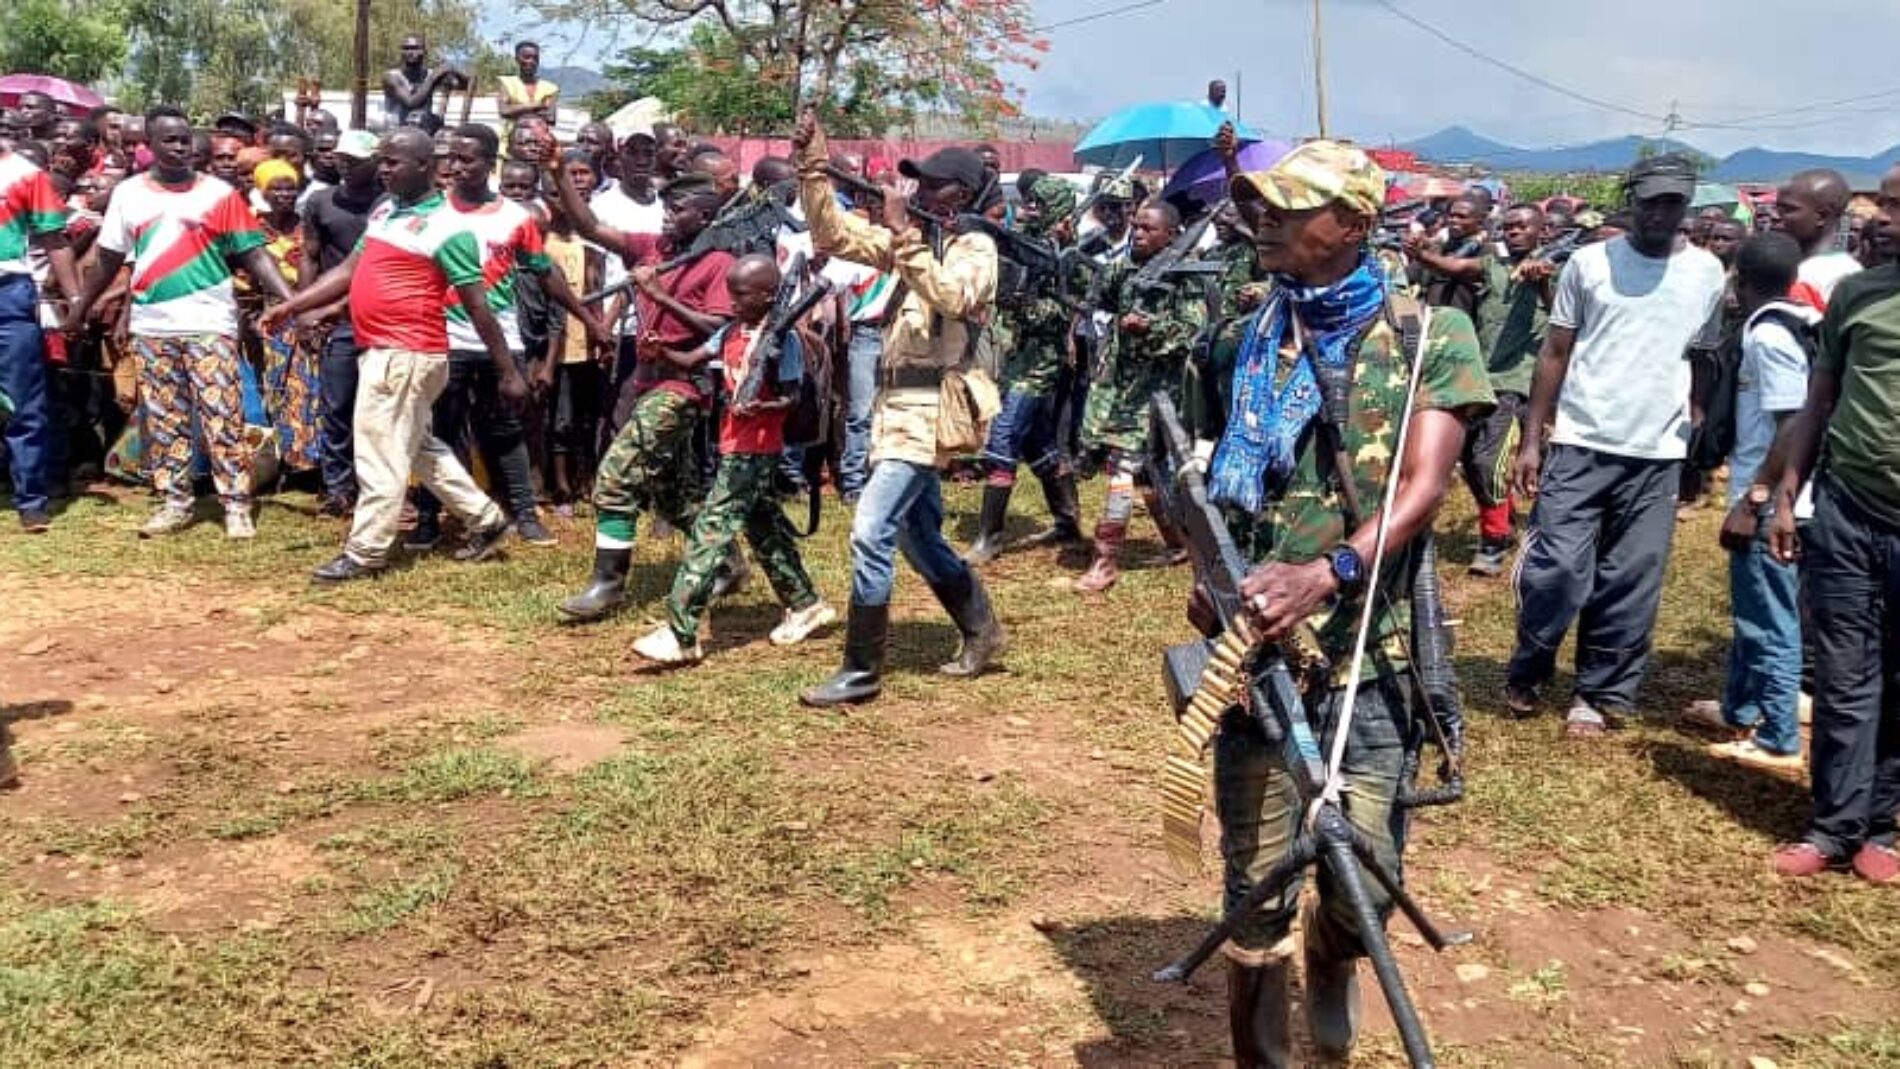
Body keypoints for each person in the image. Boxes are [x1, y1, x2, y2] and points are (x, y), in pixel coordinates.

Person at [1207, 142, 1492, 1067]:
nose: (1266, 221)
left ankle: (1332, 958)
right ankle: (1261, 1052)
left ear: (1355, 225)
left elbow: (1423, 487)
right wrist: (1211, 570)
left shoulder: (1428, 336)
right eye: (1261, 206)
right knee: (1254, 880)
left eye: (1292, 208)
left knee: (1365, 869)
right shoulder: (1246, 335)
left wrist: (1326, 572)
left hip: (1372, 648)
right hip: (1255, 652)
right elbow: (1216, 474)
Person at [1506, 155, 1727, 738]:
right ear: (1632, 199)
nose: (1660, 213)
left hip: (1657, 451)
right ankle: (1531, 662)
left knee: (1630, 579)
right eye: (1650, 201)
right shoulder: (1589, 263)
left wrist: (1695, 426)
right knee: (1557, 570)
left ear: (1687, 205)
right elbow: (1555, 351)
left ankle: (1597, 691)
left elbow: (1704, 356)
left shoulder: (1707, 272)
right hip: (1580, 440)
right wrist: (1532, 438)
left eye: (1672, 202)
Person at [791, 110, 1007, 707]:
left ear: (960, 194)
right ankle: (981, 627)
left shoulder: (975, 248)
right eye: (917, 182)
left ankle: (861, 669)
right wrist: (813, 168)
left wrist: (904, 234)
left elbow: (954, 295)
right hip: (896, 408)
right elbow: (834, 236)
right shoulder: (918, 243)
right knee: (916, 535)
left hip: (930, 411)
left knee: (870, 530)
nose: (918, 190)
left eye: (932, 184)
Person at [259, 127, 518, 581]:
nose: (383, 169)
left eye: (393, 162)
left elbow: (478, 305)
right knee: (416, 446)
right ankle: (487, 520)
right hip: (383, 348)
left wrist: (507, 370)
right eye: (381, 160)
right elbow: (349, 270)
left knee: (378, 449)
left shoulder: (448, 228)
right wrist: (295, 306)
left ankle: (366, 551)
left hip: (406, 352)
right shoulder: (386, 210)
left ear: (425, 166)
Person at [1756, 163, 1900, 885]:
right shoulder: (1858, 295)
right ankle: (1835, 825)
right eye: (1886, 205)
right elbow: (1820, 399)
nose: (1885, 220)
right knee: (1845, 671)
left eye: (1898, 208)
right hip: (1848, 507)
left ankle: (1883, 822)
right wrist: (1788, 494)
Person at [63, 106, 295, 539]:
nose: (180, 147)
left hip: (210, 322)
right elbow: (109, 258)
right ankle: (175, 501)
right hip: (152, 326)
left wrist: (290, 300)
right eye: (169, 140)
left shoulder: (219, 194)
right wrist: (79, 308)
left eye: (185, 140)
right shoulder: (129, 194)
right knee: (164, 418)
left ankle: (236, 504)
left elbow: (253, 252)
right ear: (149, 145)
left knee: (223, 415)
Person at [546, 153, 737, 623]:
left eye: (679, 210)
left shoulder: (718, 262)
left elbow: (718, 327)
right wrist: (557, 170)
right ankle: (728, 561)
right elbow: (590, 226)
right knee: (676, 496)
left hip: (683, 386)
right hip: (647, 380)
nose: (668, 216)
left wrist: (656, 295)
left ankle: (608, 584)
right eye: (666, 208)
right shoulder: (653, 248)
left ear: (705, 216)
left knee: (615, 479)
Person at [629, 254, 839, 664]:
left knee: (711, 531)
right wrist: (661, 351)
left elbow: (792, 397)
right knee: (763, 528)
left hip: (755, 450)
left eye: (741, 295)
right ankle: (805, 603)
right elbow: (691, 360)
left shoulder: (783, 340)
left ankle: (680, 632)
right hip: (732, 443)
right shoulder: (730, 331)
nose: (733, 302)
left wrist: (762, 408)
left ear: (768, 296)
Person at [410, 124, 604, 550]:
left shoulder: (516, 218)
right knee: (440, 432)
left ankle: (526, 516)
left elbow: (545, 273)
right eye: (452, 159)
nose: (456, 167)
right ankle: (427, 519)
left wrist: (588, 321)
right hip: (442, 340)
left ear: (489, 162)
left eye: (467, 159)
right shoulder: (430, 212)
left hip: (501, 343)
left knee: (506, 431)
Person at [1692, 232, 1814, 773]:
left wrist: (1757, 496)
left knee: (1771, 620)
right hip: (1784, 495)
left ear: (1738, 280)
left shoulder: (1768, 335)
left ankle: (1779, 738)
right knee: (1752, 608)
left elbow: (1793, 421)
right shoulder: (1802, 319)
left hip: (1772, 502)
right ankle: (1738, 708)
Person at [1075, 200, 1204, 593]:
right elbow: (1098, 295)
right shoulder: (1127, 265)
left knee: (1124, 468)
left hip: (1163, 390)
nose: (1138, 233)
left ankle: (1104, 561)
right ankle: (1178, 543)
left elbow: (1193, 330)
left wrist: (1150, 329)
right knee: (1149, 472)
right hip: (1124, 386)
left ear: (1172, 234)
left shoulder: (1187, 274)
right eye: (1137, 226)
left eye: (1149, 229)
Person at [963, 175, 1085, 564]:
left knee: (1002, 441)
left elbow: (1067, 309)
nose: (1029, 209)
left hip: (1040, 363)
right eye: (1028, 201)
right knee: (1038, 444)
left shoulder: (1071, 257)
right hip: (1015, 356)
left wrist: (1024, 302)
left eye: (1039, 204)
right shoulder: (1023, 242)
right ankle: (1068, 523)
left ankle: (990, 537)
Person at [1459, 204, 1553, 576]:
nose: (1513, 232)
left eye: (1521, 227)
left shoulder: (1556, 269)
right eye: (1508, 227)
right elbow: (1455, 268)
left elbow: (1563, 318)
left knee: (1488, 461)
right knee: (1470, 461)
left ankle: (1493, 542)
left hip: (1517, 382)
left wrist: (1541, 283)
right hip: (1478, 378)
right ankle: (1505, 517)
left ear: (1541, 231)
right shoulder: (1492, 266)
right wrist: (1422, 254)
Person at [0, 141, 82, 533]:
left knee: (23, 401)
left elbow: (54, 239)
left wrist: (75, 299)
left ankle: (31, 501)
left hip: (9, 292)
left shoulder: (27, 175)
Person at [299, 129, 380, 516]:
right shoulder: (320, 202)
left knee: (378, 408)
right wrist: (304, 310)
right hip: (337, 318)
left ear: (375, 162)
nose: (345, 165)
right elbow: (309, 256)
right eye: (342, 158)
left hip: (380, 316)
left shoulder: (389, 203)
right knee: (336, 404)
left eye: (355, 160)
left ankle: (375, 486)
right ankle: (338, 488)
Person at [251, 158, 321, 474]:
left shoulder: (307, 225)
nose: (284, 195)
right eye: (276, 189)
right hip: (271, 317)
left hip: (309, 312)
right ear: (262, 192)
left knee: (308, 386)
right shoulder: (252, 228)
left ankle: (307, 459)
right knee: (276, 385)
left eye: (290, 188)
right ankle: (280, 458)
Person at [1775, 169, 1859, 312]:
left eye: (1789, 209)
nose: (1776, 216)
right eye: (1777, 208)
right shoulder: (1790, 265)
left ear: (1822, 217)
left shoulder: (1840, 275)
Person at [1406, 194, 1489, 317]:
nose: (1453, 220)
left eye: (1461, 217)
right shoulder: (1437, 248)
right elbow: (1407, 277)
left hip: (1465, 324)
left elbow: (1453, 266)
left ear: (1480, 222)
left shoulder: (1487, 252)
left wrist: (1420, 254)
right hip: (1432, 320)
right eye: (1451, 215)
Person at [383, 35, 465, 135]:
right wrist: (433, 78)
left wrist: (454, 71)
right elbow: (411, 103)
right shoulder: (392, 77)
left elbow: (463, 86)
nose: (410, 52)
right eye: (406, 48)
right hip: (397, 134)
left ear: (424, 52)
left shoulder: (430, 74)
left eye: (415, 48)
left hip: (423, 132)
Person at [498, 40, 559, 147]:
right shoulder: (507, 83)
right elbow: (504, 111)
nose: (531, 61)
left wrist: (515, 109)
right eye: (526, 57)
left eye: (535, 58)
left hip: (539, 146)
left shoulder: (550, 88)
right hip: (509, 145)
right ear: (517, 59)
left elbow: (550, 118)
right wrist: (537, 105)